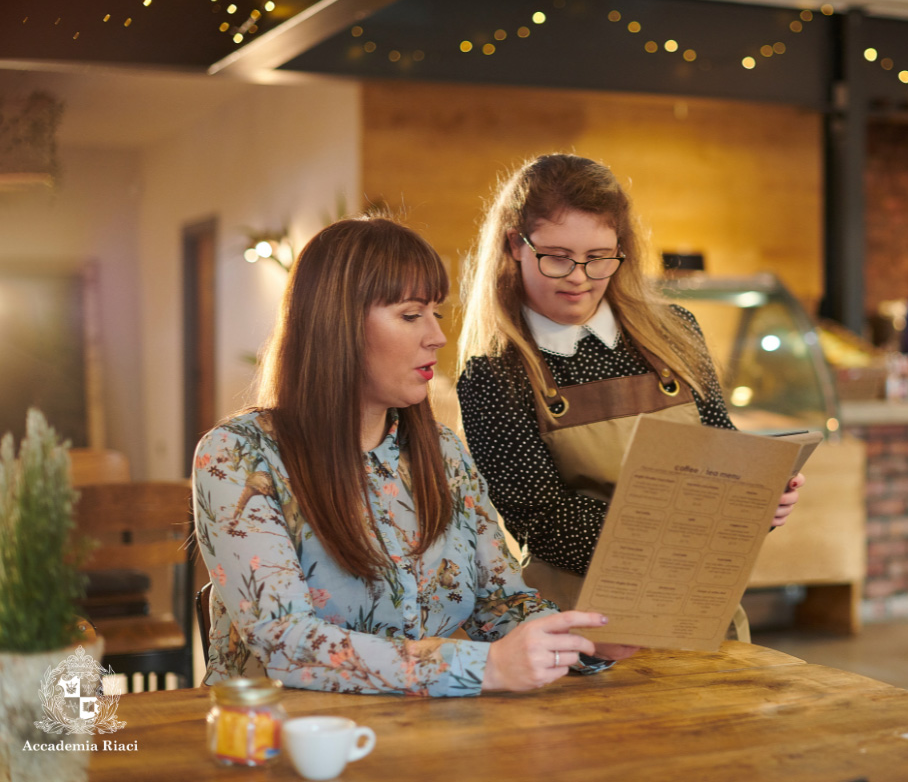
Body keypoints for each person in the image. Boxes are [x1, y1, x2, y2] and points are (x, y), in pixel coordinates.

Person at [193, 215, 630, 697]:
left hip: (421, 736)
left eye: (435, 314)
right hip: (280, 743)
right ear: (334, 325)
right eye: (409, 315)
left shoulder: (444, 453)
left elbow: (499, 603)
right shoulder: (238, 455)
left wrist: (581, 640)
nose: (436, 337)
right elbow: (287, 643)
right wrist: (483, 667)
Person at [455, 154, 804, 620]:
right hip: (580, 631)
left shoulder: (676, 331)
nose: (579, 278)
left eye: (598, 258)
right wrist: (697, 518)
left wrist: (759, 498)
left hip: (699, 610)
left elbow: (721, 448)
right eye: (557, 258)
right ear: (515, 244)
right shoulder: (494, 376)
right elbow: (545, 524)